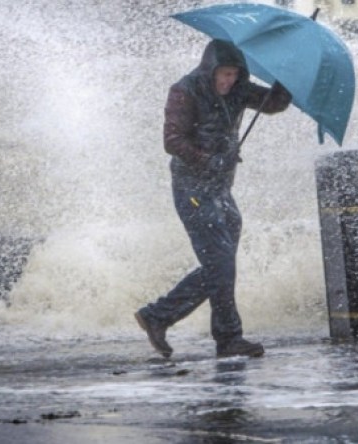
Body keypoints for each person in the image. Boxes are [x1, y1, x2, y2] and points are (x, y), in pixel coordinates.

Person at [135, 39, 292, 358]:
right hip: (192, 189)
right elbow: (172, 140)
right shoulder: (185, 90)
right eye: (224, 74)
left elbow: (273, 103)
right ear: (210, 70)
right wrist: (208, 160)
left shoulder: (239, 90)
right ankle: (227, 337)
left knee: (221, 265)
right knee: (221, 263)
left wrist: (284, 80)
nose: (228, 81)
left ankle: (159, 316)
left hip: (221, 189)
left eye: (234, 74)